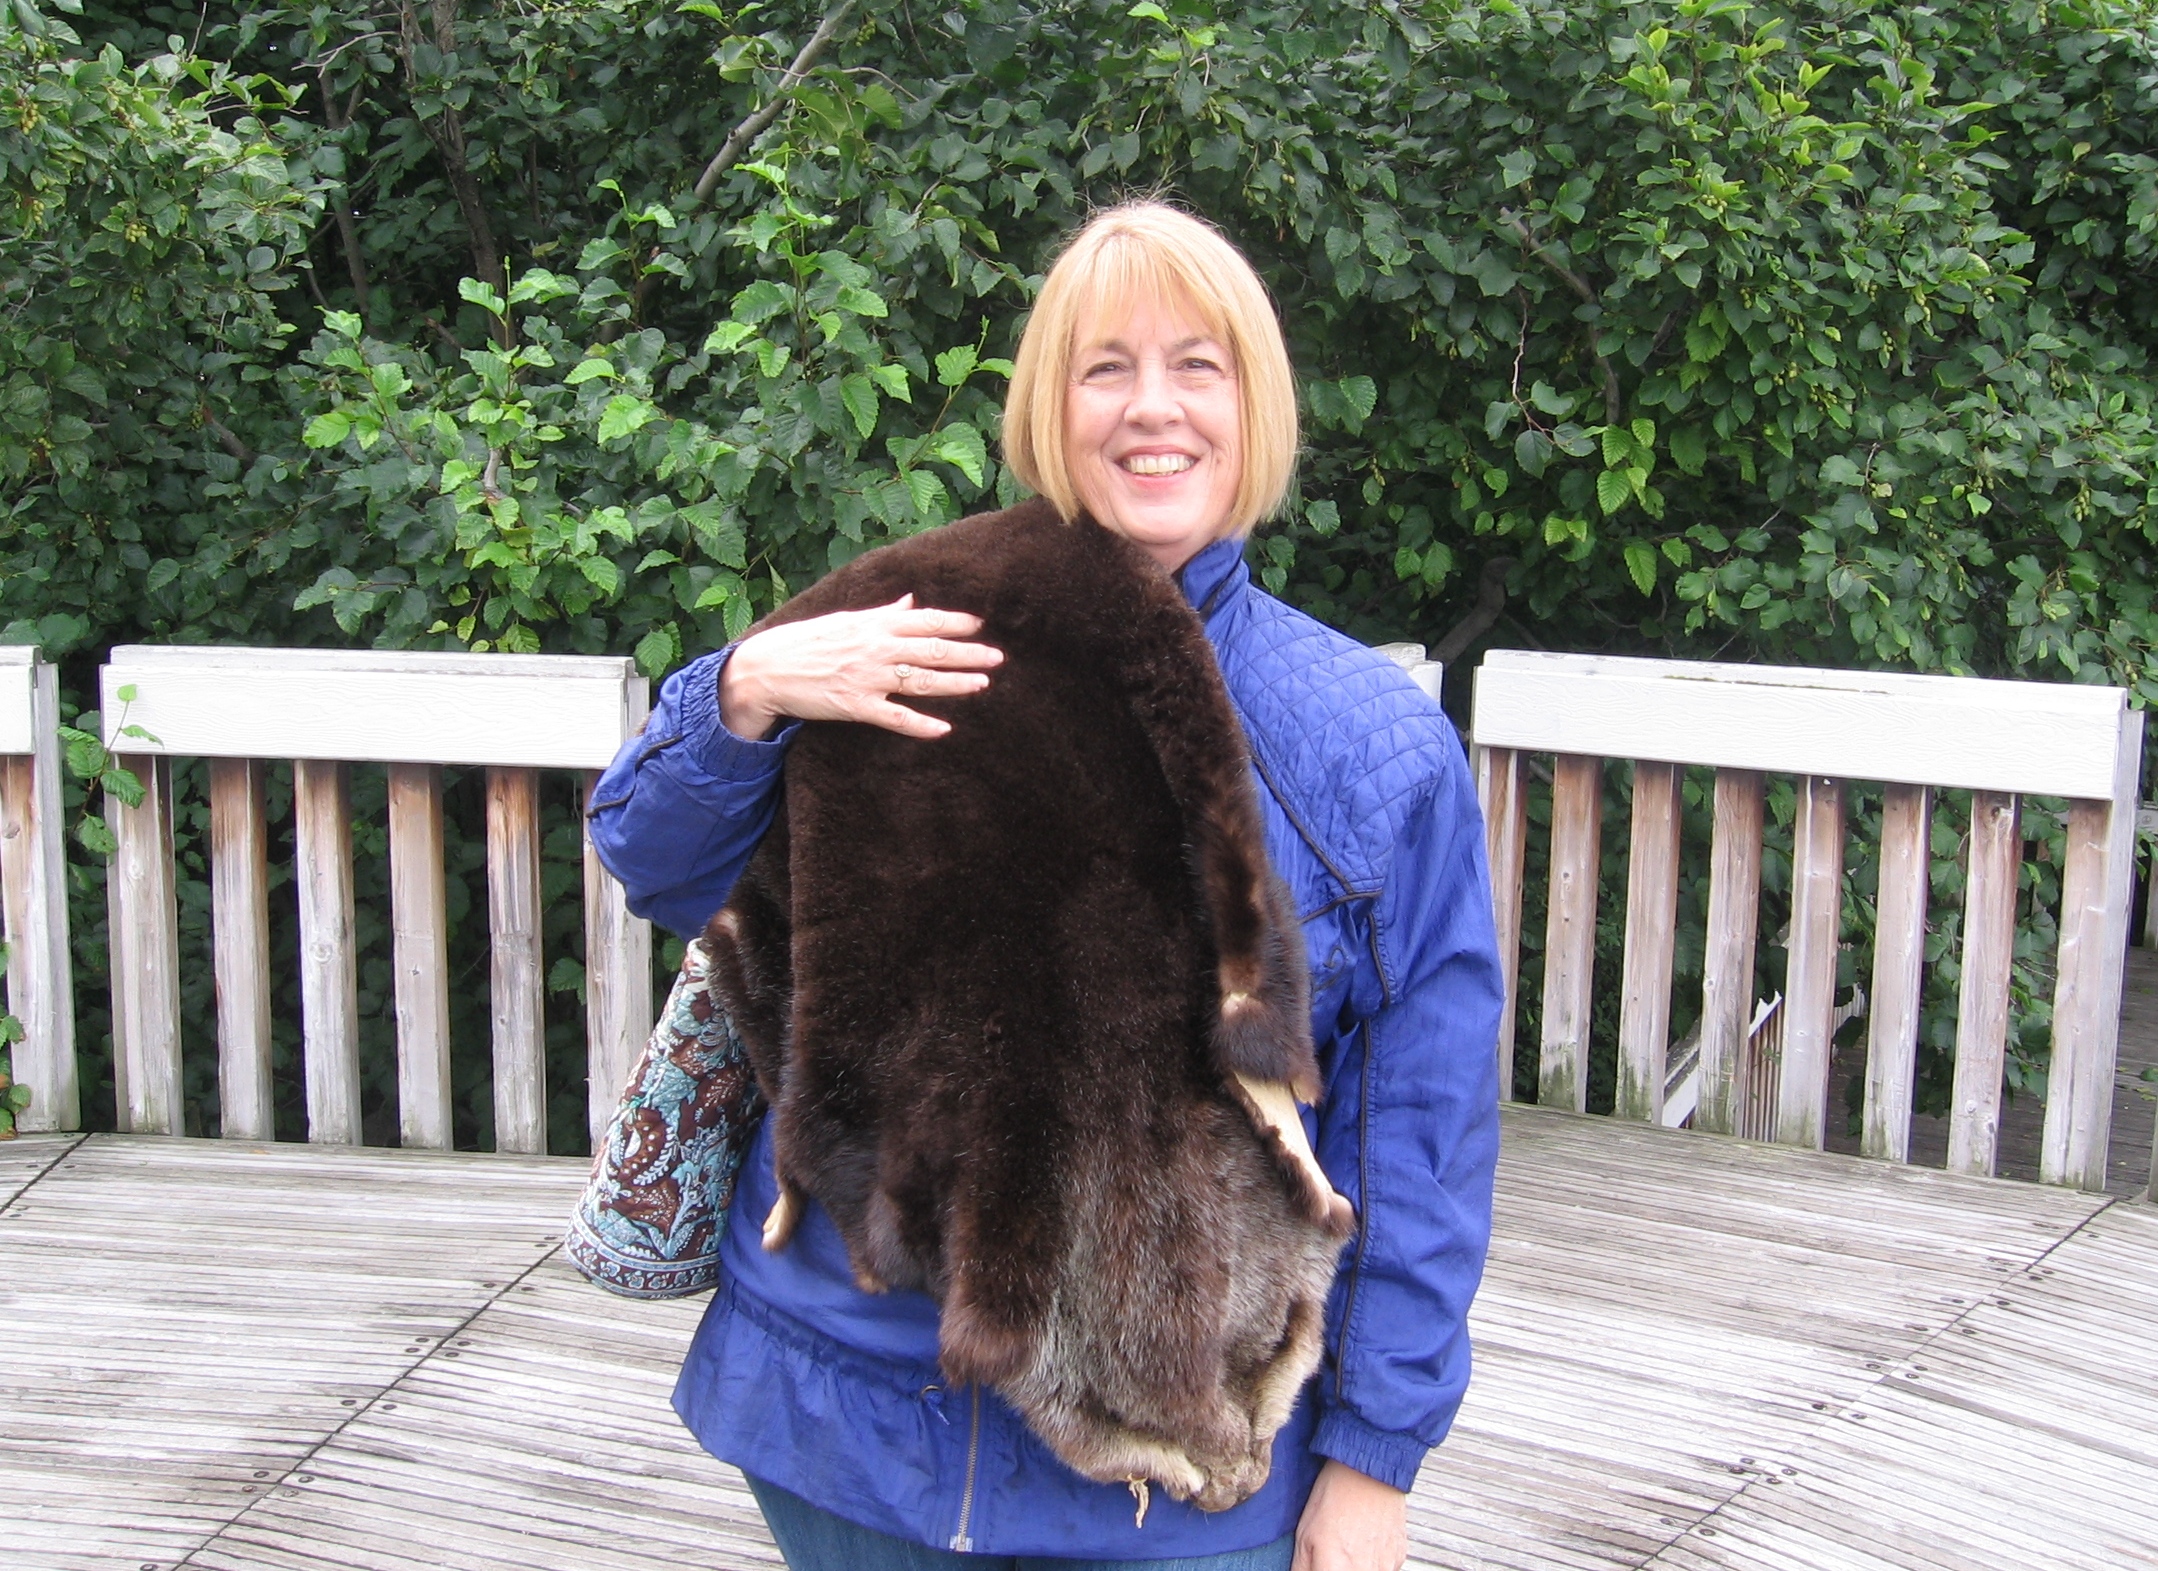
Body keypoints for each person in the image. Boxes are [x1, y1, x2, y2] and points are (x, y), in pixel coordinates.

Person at [587, 200, 1502, 1571]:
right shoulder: (905, 629)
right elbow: (650, 856)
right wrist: (743, 689)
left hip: (1174, 1480)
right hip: (848, 1429)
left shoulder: (1371, 750)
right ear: (1043, 406)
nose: (1154, 410)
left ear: (1255, 405)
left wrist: (1375, 1458)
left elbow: (1419, 1130)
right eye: (1104, 368)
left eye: (1199, 366)